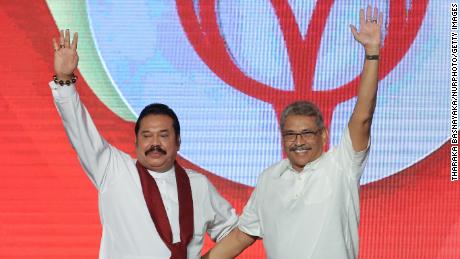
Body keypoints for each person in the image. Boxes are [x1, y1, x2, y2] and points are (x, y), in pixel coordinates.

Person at [203, 6, 382, 259]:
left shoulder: (341, 165)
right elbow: (243, 235)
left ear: (323, 135)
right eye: (290, 135)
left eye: (307, 133)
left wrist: (372, 53)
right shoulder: (269, 179)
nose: (298, 142)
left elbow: (363, 116)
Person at [50, 29, 238, 259]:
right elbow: (79, 129)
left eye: (164, 135)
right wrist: (65, 80)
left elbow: (233, 232)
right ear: (136, 141)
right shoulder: (113, 169)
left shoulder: (198, 185)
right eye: (147, 136)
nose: (155, 143)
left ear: (178, 141)